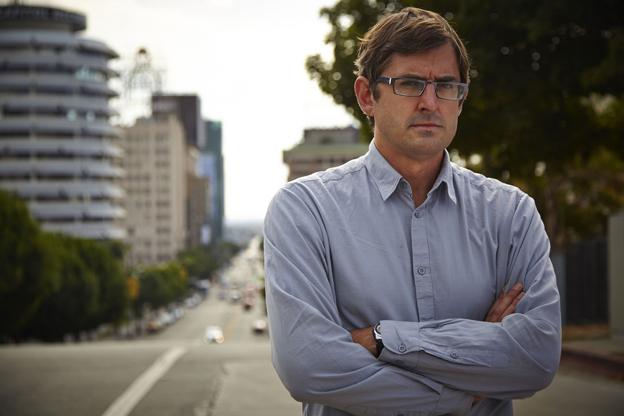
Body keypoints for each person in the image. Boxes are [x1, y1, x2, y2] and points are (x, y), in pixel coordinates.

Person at [264, 7, 561, 416]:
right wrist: (465, 387)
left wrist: (381, 340)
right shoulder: (305, 210)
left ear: (462, 98)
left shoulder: (511, 215)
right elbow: (309, 368)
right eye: (409, 84)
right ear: (367, 95)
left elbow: (536, 359)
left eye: (446, 86)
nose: (429, 102)